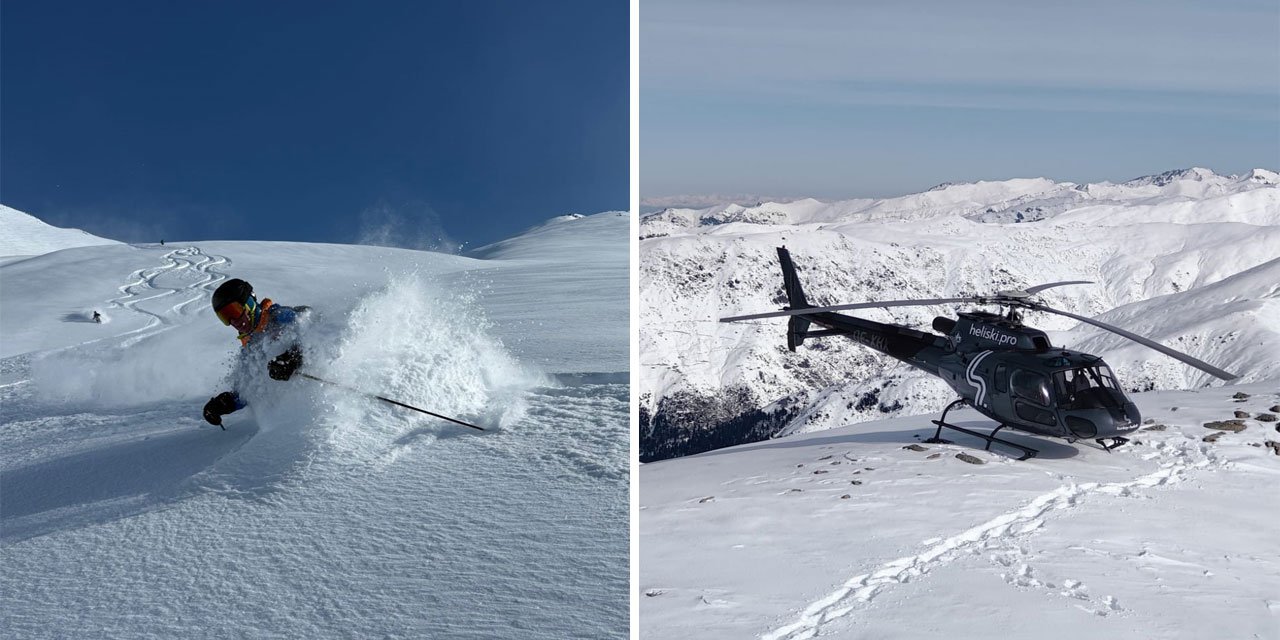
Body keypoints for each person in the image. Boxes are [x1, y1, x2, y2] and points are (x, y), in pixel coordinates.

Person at [202, 278, 306, 427]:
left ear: (249, 303)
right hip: (294, 416)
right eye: (225, 317)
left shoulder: (280, 317)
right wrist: (226, 403)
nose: (233, 321)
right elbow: (247, 392)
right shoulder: (250, 349)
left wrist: (294, 356)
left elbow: (312, 333)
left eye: (234, 311)